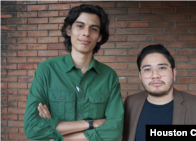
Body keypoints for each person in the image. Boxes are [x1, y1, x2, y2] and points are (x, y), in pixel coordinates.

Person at [24, 4, 124, 141]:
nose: (86, 33)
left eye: (93, 29)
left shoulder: (109, 76)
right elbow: (33, 128)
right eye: (80, 26)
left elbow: (114, 131)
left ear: (99, 37)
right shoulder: (47, 70)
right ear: (69, 30)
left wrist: (61, 135)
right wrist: (92, 123)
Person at [122, 44, 196, 141]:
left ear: (173, 73)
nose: (155, 75)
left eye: (162, 68)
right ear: (140, 76)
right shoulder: (130, 103)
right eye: (147, 69)